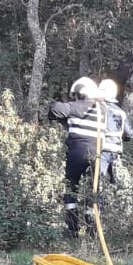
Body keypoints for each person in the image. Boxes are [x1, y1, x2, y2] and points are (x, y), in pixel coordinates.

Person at [47, 76, 106, 239]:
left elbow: (54, 110)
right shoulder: (103, 110)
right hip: (97, 155)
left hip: (76, 153)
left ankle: (72, 229)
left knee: (71, 188)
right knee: (94, 192)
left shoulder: (74, 107)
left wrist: (63, 117)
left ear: (79, 93)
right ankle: (92, 229)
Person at [97, 78, 133, 186]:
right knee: (116, 183)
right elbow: (130, 134)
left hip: (102, 150)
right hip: (116, 151)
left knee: (98, 183)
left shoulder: (97, 109)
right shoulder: (121, 112)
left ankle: (97, 202)